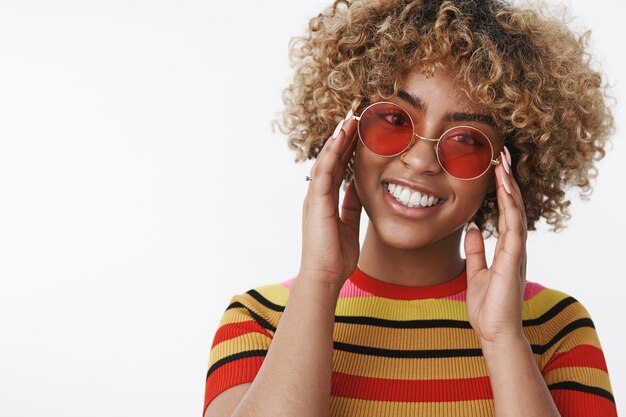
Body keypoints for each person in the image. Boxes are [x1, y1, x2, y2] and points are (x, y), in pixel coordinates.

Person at [203, 0, 617, 416]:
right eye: (395, 120)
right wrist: (320, 280)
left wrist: (503, 340)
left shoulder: (556, 328)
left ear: (507, 166)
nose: (421, 161)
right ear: (346, 131)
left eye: (467, 140)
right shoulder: (259, 320)